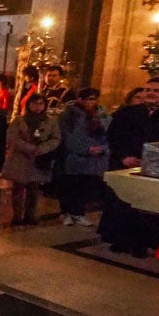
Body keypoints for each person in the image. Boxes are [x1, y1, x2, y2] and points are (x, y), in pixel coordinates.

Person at [98, 75, 159, 257]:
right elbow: (115, 136)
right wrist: (124, 156)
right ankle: (119, 238)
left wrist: (150, 161)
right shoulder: (127, 113)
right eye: (147, 90)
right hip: (126, 165)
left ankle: (142, 243)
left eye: (156, 91)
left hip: (157, 170)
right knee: (122, 203)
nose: (150, 94)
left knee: (147, 208)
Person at [1, 94, 60, 226]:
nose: (37, 107)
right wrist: (29, 148)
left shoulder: (50, 121)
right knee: (18, 188)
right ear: (29, 105)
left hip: (38, 160)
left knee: (34, 189)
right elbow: (12, 138)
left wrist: (43, 148)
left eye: (40, 104)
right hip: (20, 159)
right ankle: (17, 215)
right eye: (34, 104)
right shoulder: (19, 120)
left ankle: (30, 214)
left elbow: (55, 138)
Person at [56, 88, 109, 226]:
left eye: (93, 99)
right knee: (70, 186)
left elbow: (108, 133)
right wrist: (85, 149)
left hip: (93, 158)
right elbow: (66, 136)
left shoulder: (101, 115)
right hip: (73, 157)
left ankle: (78, 213)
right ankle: (66, 212)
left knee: (85, 187)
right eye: (87, 98)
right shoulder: (69, 115)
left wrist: (101, 149)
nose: (90, 102)